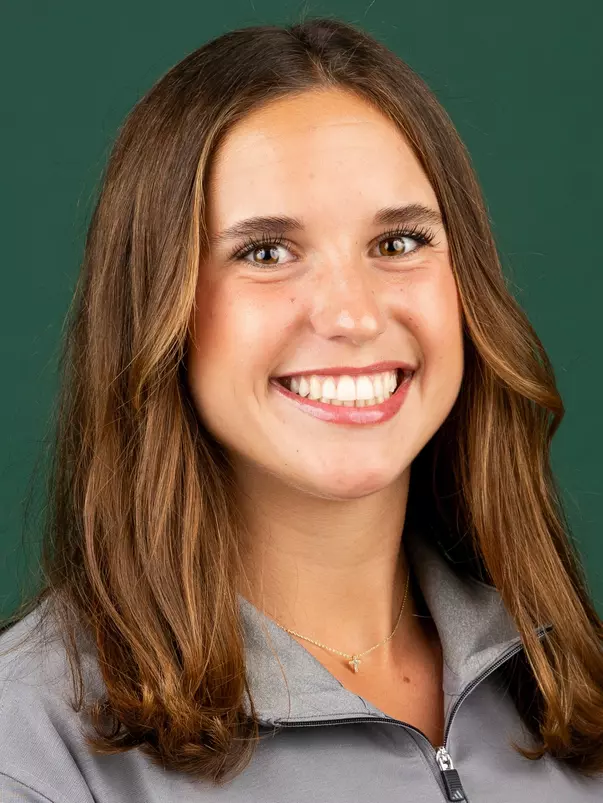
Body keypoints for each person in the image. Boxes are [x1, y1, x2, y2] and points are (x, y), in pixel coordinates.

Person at [1, 15, 602, 803]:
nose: (350, 315)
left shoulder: (568, 675)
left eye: (397, 243)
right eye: (265, 252)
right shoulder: (34, 748)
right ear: (159, 313)